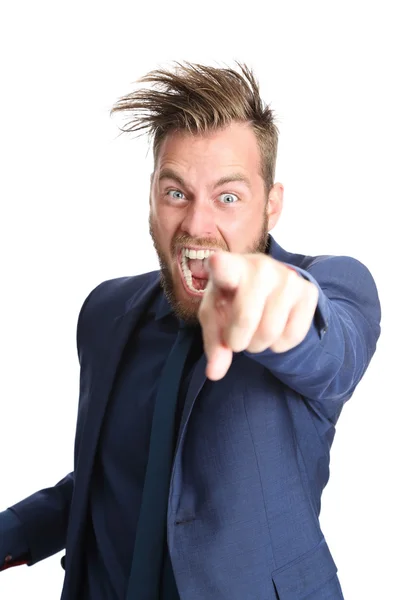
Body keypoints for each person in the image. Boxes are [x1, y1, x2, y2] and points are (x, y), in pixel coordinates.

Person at [0, 62, 381, 600]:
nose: (198, 224)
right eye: (176, 193)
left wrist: (284, 304)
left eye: (229, 197)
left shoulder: (331, 285)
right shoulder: (105, 313)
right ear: (152, 197)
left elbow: (331, 348)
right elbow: (109, 482)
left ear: (271, 205)